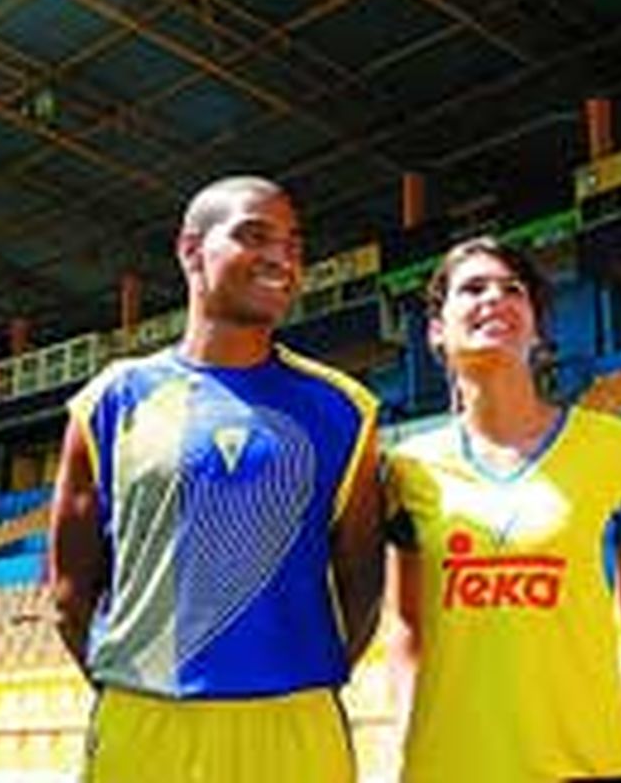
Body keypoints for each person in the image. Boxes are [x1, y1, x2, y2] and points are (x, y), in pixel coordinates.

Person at [50, 174, 383, 783]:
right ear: (190, 249)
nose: (281, 257)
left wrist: (289, 677)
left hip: (295, 723)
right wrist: (138, 680)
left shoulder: (343, 409)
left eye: (293, 243)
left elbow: (362, 587)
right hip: (146, 722)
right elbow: (72, 593)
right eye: (255, 236)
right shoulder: (108, 402)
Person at [386, 236, 621, 782]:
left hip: (589, 767)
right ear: (436, 330)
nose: (494, 298)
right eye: (472, 289)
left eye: (513, 290)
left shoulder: (615, 447)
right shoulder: (407, 469)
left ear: (537, 328)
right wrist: (408, 745)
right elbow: (407, 628)